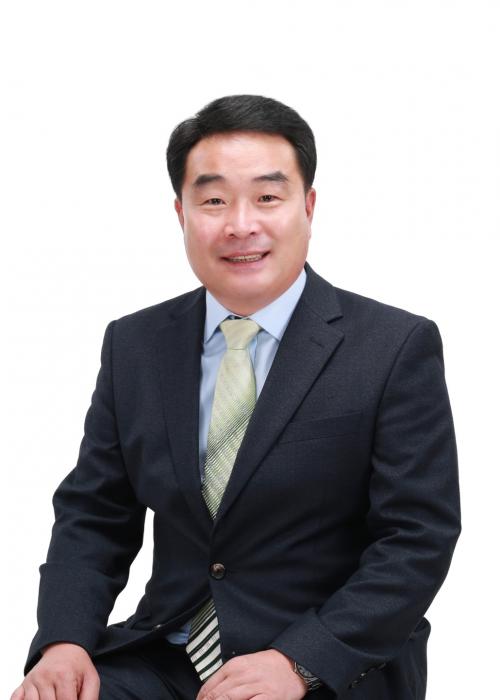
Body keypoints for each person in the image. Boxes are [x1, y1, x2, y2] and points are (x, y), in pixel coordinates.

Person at [11, 94, 461, 700]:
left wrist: (298, 662)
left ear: (308, 206)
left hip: (324, 664)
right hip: (167, 654)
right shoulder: (135, 344)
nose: (240, 224)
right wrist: (64, 641)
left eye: (268, 197)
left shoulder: (392, 346)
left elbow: (416, 539)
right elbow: (95, 514)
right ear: (181, 213)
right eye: (214, 200)